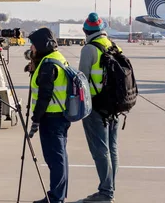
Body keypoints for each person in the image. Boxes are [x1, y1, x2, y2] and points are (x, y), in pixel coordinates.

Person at [78, 12, 119, 203]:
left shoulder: (89, 49)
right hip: (114, 106)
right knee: (112, 148)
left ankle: (105, 192)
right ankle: (109, 188)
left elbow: (82, 80)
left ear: (86, 31)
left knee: (100, 150)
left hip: (96, 106)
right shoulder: (113, 46)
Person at [27, 27, 71, 203]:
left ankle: (55, 197)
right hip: (61, 116)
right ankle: (59, 194)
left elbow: (44, 96)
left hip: (51, 117)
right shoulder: (56, 58)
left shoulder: (48, 65)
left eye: (34, 45)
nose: (32, 48)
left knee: (55, 159)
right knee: (60, 157)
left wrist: (35, 120)